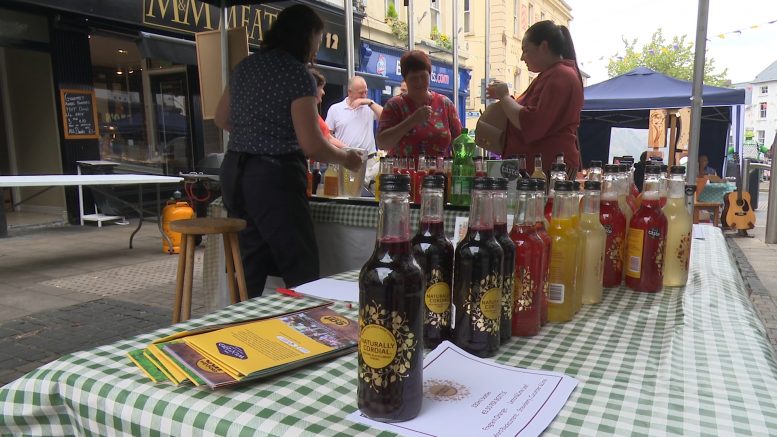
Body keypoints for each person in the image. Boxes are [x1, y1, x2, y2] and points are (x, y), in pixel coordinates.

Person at [214, 5, 362, 297]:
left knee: (249, 265)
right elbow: (312, 145)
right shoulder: (296, 74)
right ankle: (302, 324)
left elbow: (221, 118)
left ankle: (244, 323)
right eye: (317, 39)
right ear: (305, 36)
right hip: (274, 178)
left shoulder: (245, 66)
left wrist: (254, 134)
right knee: (300, 266)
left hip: (235, 173)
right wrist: (347, 158)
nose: (317, 48)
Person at [487, 20, 584, 176]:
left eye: (526, 50)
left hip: (549, 167)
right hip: (544, 165)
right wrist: (505, 99)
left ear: (544, 47)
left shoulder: (560, 75)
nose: (522, 58)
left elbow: (532, 123)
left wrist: (504, 97)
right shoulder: (554, 74)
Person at [377, 50, 462, 159]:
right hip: (404, 170)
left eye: (423, 76)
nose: (419, 82)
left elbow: (460, 142)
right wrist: (412, 120)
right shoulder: (394, 106)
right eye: (413, 78)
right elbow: (382, 144)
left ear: (430, 75)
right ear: (405, 79)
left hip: (442, 169)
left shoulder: (445, 104)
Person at [325, 76, 382, 153]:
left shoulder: (369, 106)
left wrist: (370, 103)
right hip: (345, 156)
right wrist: (346, 148)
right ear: (349, 92)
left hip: (369, 157)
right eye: (361, 93)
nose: (364, 96)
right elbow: (327, 135)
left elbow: (385, 117)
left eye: (366, 92)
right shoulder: (335, 109)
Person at [309, 68, 348, 149]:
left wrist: (350, 150)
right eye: (321, 88)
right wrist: (347, 153)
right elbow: (325, 140)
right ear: (314, 89)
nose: (323, 92)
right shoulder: (306, 114)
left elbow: (328, 138)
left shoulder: (313, 112)